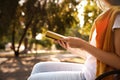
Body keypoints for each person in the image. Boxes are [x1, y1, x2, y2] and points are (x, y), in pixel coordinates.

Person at [27, 0, 120, 80]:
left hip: (94, 77)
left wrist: (82, 44)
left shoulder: (117, 17)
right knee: (39, 67)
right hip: (90, 71)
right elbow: (95, 58)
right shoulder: (110, 16)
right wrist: (71, 48)